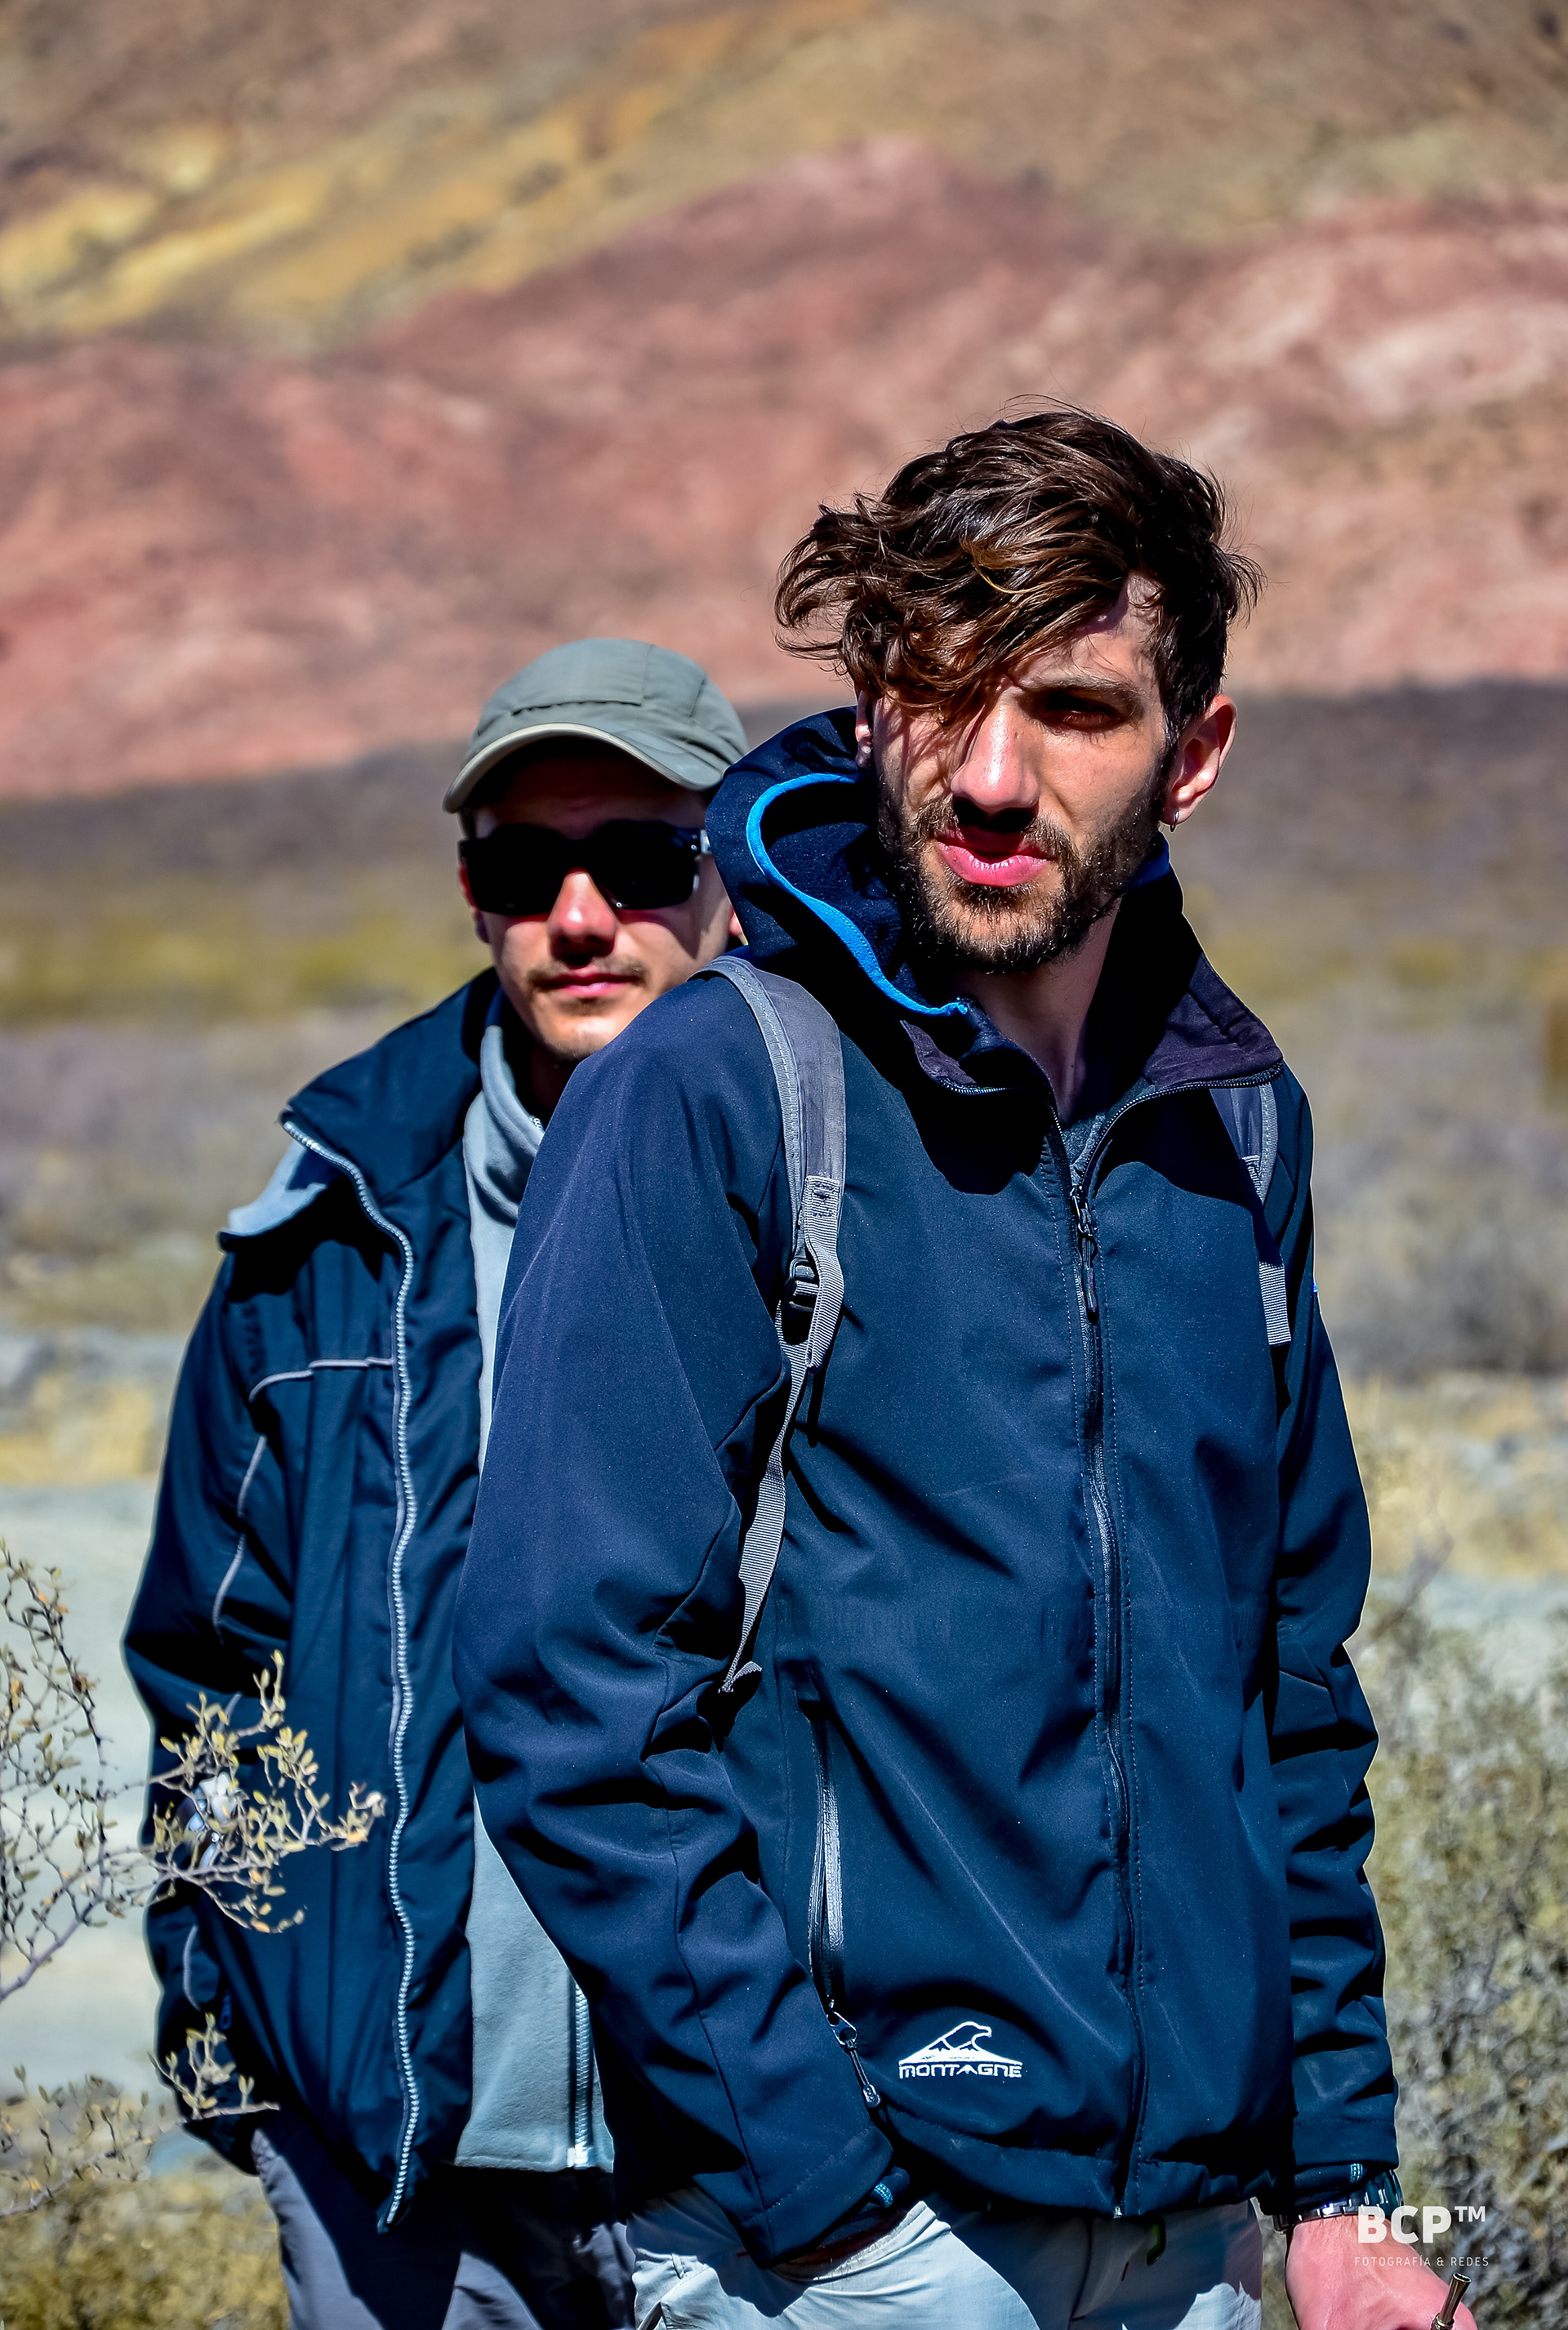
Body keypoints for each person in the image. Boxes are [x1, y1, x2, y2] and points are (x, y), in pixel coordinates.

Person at [454, 416, 1476, 2330]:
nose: (993, 780)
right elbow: (569, 1691)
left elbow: (1288, 1692)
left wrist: (1343, 2188)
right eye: (939, 697)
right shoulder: (718, 1094)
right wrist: (835, 2207)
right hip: (853, 2244)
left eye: (1077, 710)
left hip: (1192, 2247)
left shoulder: (1232, 1133)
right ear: (866, 714)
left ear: (1196, 755)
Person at [124, 639, 746, 2330]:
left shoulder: (861, 1201)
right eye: (518, 863)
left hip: (759, 2154)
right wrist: (235, 2047)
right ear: (468, 886)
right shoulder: (327, 1231)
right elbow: (210, 1656)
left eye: (641, 860)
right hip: (390, 2158)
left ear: (739, 865)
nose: (579, 911)